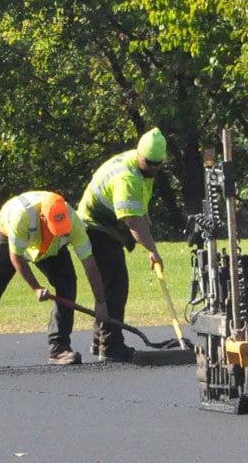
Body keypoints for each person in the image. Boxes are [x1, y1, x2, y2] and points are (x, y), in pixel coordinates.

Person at [0, 191, 108, 370]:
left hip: (49, 249)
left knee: (67, 283)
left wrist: (100, 301)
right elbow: (16, 258)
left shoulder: (73, 221)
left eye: (61, 230)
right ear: (43, 218)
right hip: (8, 237)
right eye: (54, 228)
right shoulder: (22, 215)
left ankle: (59, 348)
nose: (59, 233)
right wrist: (35, 287)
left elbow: (89, 262)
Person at [77, 127, 167, 363]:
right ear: (140, 156)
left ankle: (100, 341)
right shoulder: (126, 177)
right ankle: (110, 344)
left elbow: (141, 208)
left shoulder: (143, 171)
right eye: (149, 163)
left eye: (158, 164)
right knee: (116, 282)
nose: (154, 168)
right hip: (94, 224)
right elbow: (133, 221)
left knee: (113, 282)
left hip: (108, 225)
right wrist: (153, 251)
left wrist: (150, 240)